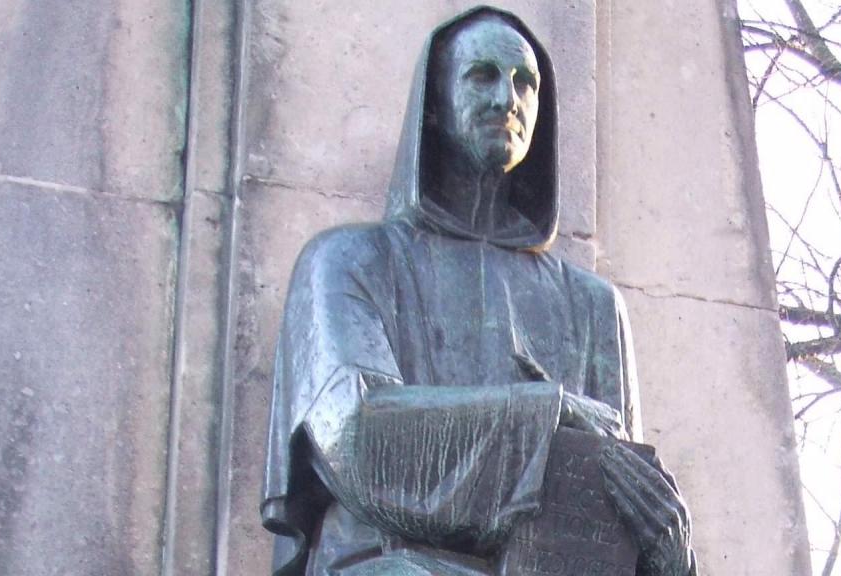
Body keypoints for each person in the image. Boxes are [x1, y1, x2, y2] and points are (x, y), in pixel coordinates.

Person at [261, 7, 697, 576]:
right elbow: (356, 435)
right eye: (481, 76)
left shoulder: (594, 309)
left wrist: (667, 551)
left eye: (525, 83)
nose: (506, 100)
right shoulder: (347, 261)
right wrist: (549, 411)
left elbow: (608, 511)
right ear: (435, 105)